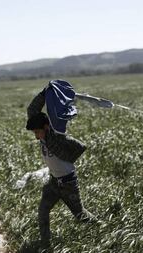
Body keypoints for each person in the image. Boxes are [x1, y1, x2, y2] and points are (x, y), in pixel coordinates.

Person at [26, 96, 96, 250]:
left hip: (68, 184)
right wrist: (45, 93)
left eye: (37, 132)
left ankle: (101, 227)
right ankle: (46, 244)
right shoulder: (41, 129)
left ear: (46, 127)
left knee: (80, 215)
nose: (36, 136)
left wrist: (67, 157)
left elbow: (81, 146)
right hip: (53, 182)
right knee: (43, 210)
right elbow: (32, 111)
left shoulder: (57, 136)